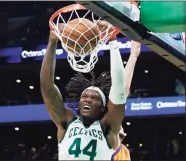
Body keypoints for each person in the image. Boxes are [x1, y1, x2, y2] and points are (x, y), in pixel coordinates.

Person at [40, 20, 141, 160]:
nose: (87, 99)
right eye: (84, 96)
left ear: (102, 107)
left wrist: (112, 40)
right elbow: (47, 88)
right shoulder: (67, 123)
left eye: (94, 98)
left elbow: (120, 91)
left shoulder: (108, 129)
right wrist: (52, 42)